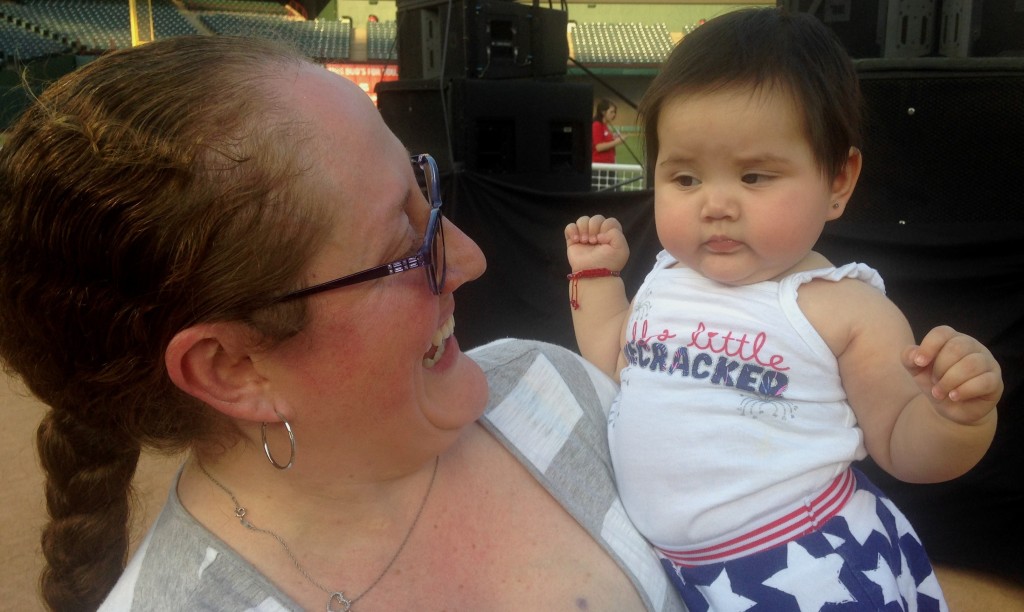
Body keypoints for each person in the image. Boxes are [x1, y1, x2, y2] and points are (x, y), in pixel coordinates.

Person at [0, 36, 685, 611]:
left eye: (425, 188)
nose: (470, 259)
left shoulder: (557, 390)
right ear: (234, 368)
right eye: (403, 248)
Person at [564, 8, 1003, 611]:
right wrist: (595, 276)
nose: (715, 204)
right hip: (668, 567)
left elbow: (904, 447)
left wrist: (958, 419)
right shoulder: (667, 277)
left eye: (754, 176)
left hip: (803, 565)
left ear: (839, 182)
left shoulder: (843, 310)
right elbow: (612, 355)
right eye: (685, 178)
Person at [591, 98, 627, 165]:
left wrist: (613, 137)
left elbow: (604, 139)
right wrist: (617, 141)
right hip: (600, 165)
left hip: (609, 164)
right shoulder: (596, 125)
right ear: (603, 112)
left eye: (614, 112)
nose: (614, 115)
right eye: (611, 112)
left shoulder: (605, 126)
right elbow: (599, 147)